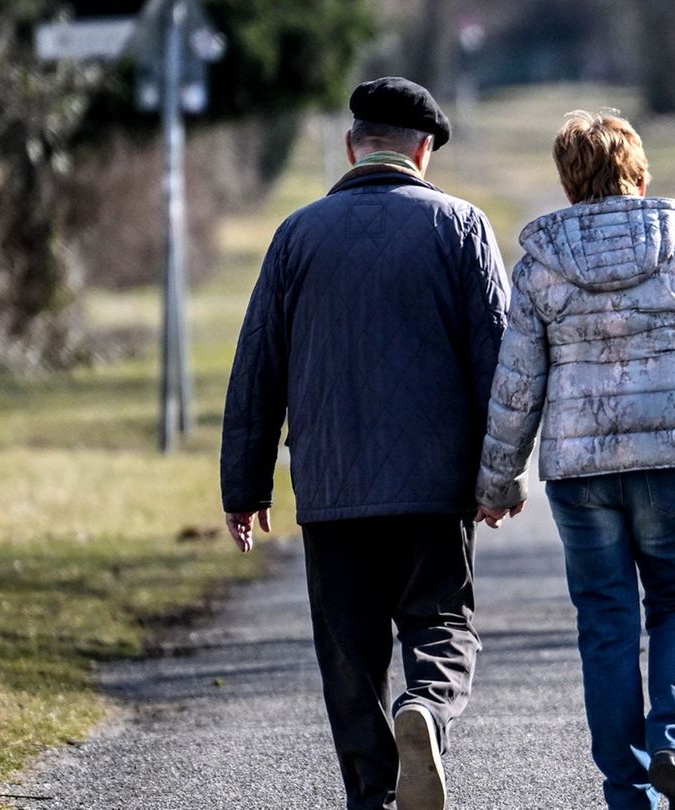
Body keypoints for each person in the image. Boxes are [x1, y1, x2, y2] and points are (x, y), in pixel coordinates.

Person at [475, 110, 675, 810]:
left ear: (569, 179)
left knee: (606, 619)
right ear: (637, 169)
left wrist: (497, 482)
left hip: (580, 470)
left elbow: (517, 382)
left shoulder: (539, 268)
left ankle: (628, 791)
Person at [220, 77, 509, 810]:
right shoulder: (462, 228)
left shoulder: (296, 235)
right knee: (442, 625)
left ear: (353, 146)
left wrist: (244, 487)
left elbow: (258, 367)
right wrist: (500, 476)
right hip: (433, 488)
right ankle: (429, 711)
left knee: (350, 663)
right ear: (424, 151)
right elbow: (501, 366)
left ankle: (371, 798)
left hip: (332, 486)